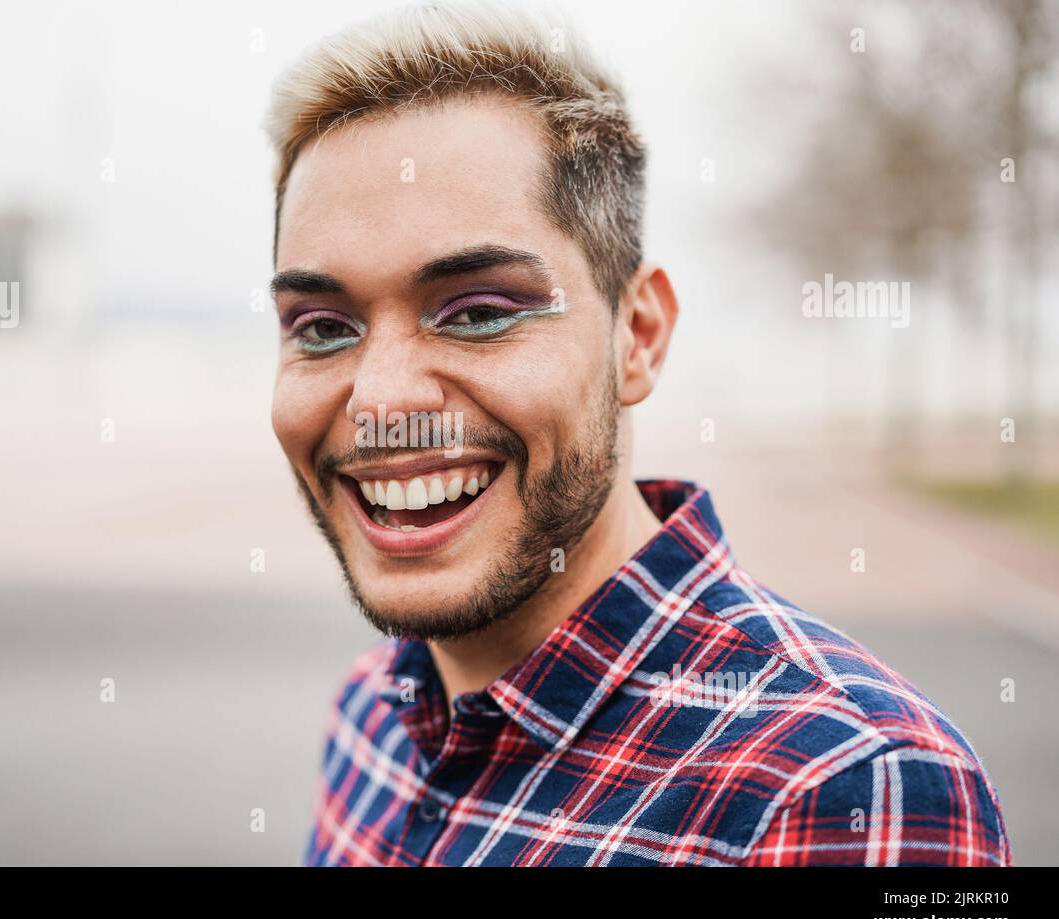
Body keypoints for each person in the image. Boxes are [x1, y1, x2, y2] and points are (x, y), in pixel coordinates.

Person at [264, 0, 1011, 866]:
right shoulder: (374, 709)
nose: (383, 403)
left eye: (476, 313)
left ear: (639, 334)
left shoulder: (850, 789)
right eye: (321, 327)